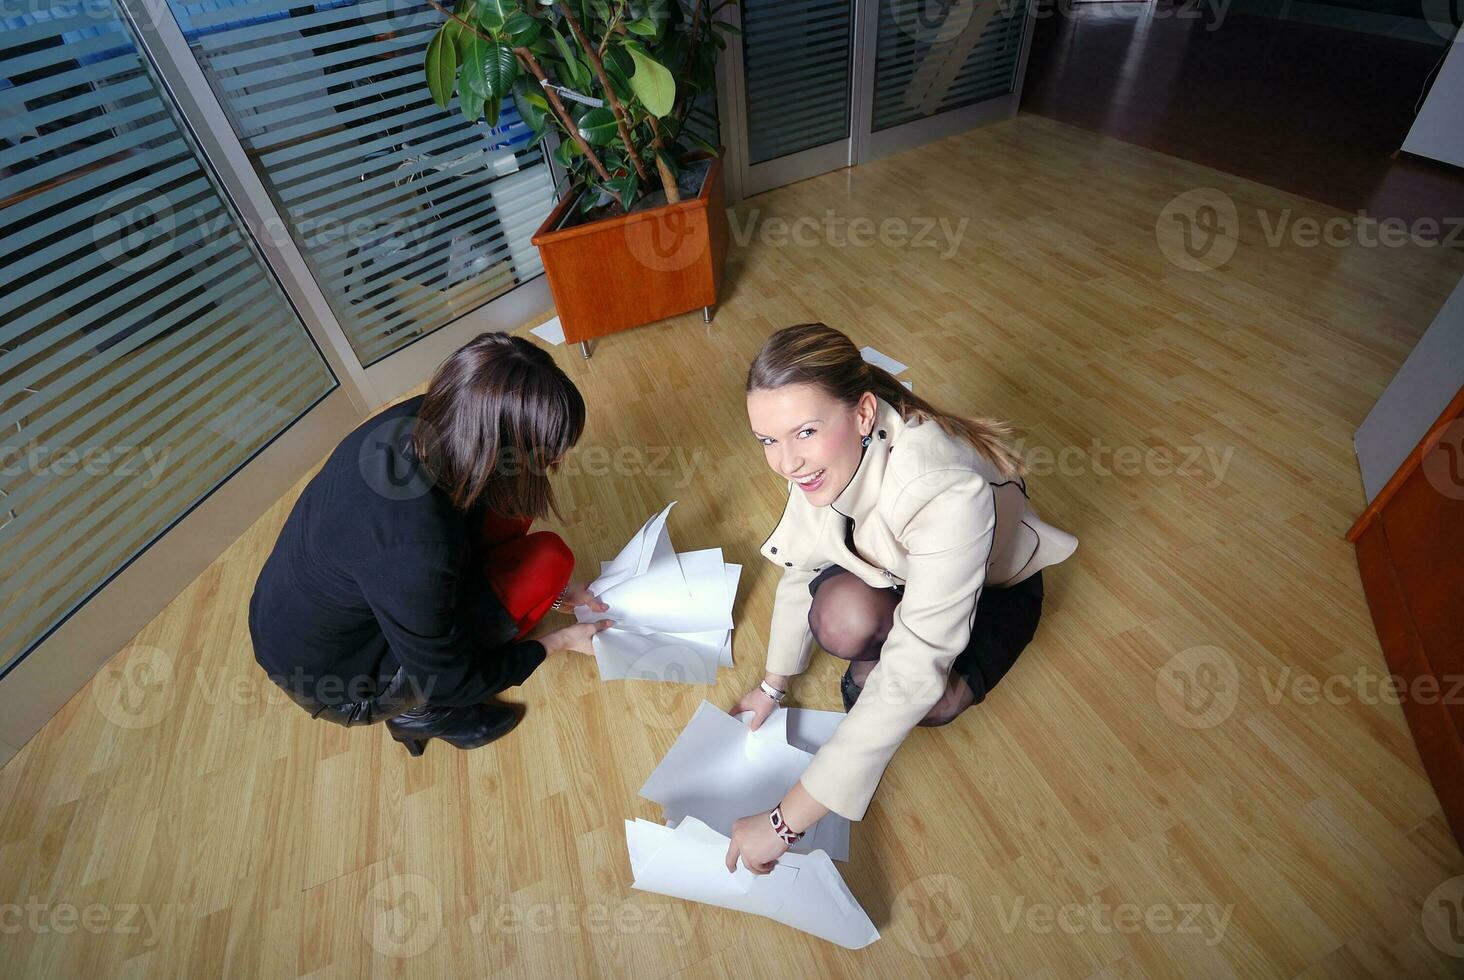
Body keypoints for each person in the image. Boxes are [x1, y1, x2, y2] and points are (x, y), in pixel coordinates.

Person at [725, 323, 1078, 873]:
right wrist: (773, 684)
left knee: (930, 700)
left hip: (995, 589)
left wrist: (782, 824)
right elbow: (804, 558)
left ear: (864, 414)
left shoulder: (940, 489)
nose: (785, 463)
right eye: (767, 440)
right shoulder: (825, 449)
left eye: (803, 433)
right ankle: (870, 682)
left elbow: (914, 668)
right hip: (903, 572)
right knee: (842, 620)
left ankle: (883, 687)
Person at [249, 332, 613, 756]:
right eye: (551, 453)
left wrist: (557, 599)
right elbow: (451, 679)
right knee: (547, 562)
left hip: (303, 618)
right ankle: (421, 714)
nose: (559, 462)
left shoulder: (422, 418)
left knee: (518, 507)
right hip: (345, 680)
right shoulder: (417, 547)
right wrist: (560, 641)